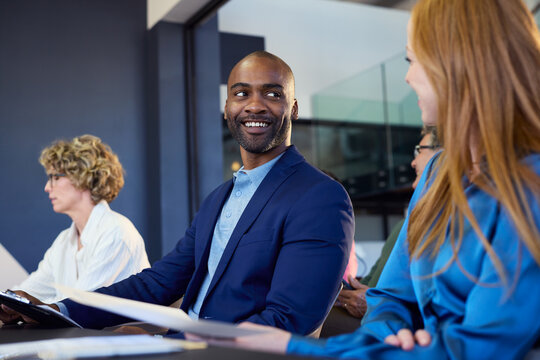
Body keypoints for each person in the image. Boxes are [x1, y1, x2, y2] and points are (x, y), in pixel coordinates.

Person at [199, 0, 540, 358]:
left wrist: (291, 345)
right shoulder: (436, 176)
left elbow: (477, 349)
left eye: (413, 60)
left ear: (458, 61)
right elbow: (390, 297)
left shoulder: (529, 189)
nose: (408, 77)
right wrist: (388, 336)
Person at [1, 51, 354, 336]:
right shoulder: (219, 199)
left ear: (293, 108)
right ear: (228, 107)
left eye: (273, 94)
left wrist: (181, 344)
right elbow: (158, 282)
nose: (255, 105)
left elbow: (289, 321)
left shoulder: (320, 197)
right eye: (241, 93)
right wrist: (56, 309)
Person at [8, 135, 150, 304]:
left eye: (55, 177)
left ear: (83, 178)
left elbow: (80, 307)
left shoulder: (116, 232)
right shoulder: (64, 241)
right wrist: (9, 303)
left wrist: (32, 304)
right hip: (84, 331)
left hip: (119, 331)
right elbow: (29, 291)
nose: (47, 187)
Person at [325, 126, 440, 333]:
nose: (413, 161)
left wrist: (376, 303)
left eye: (419, 150)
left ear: (442, 154)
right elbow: (372, 281)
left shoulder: (442, 223)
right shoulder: (406, 224)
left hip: (389, 323)